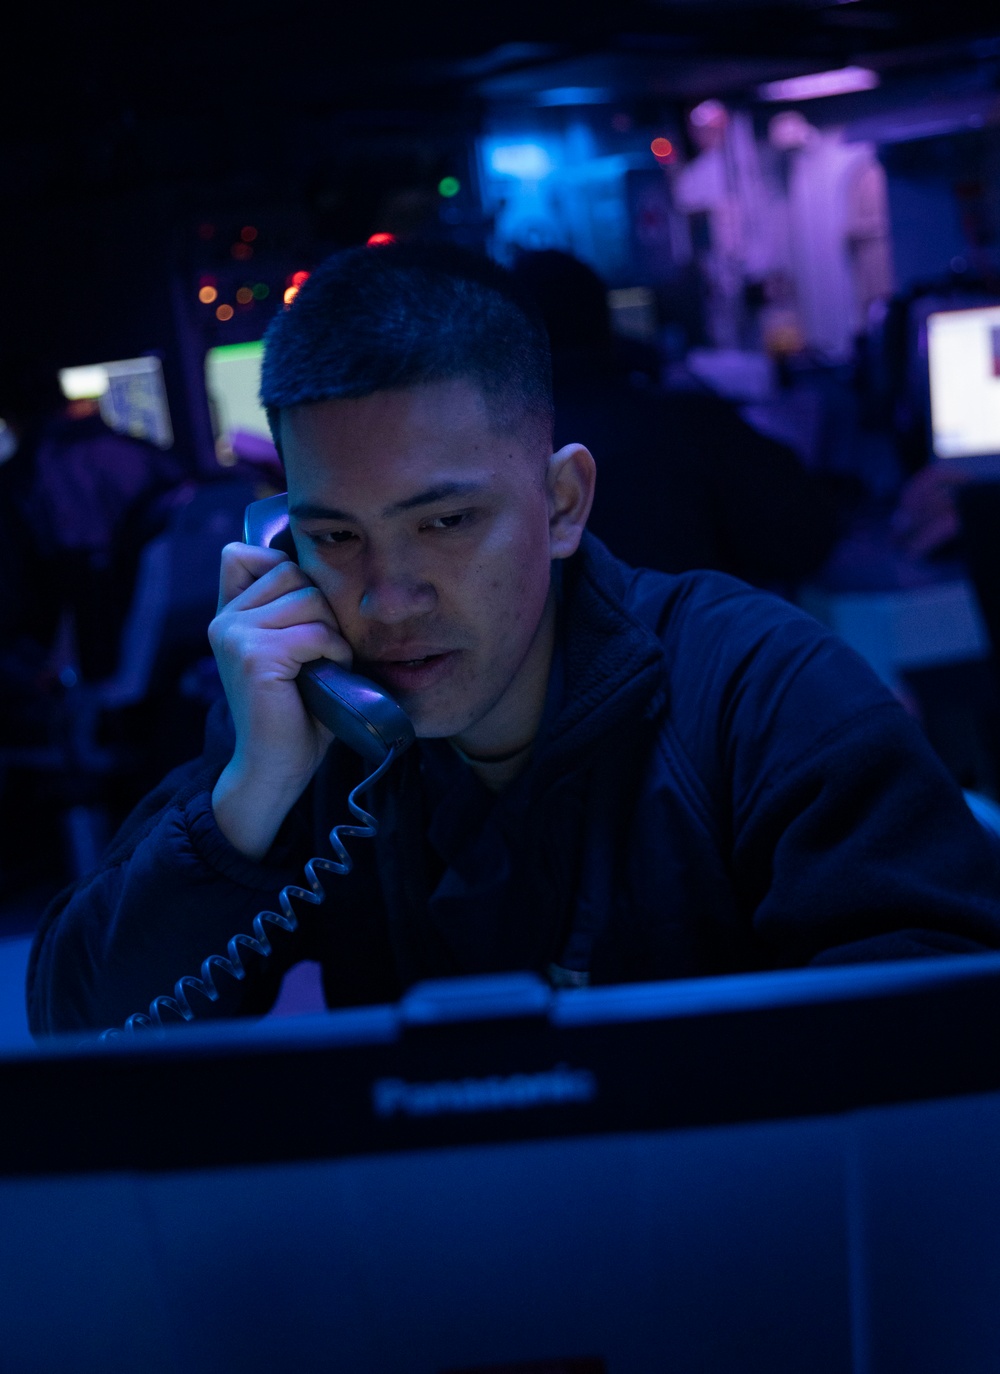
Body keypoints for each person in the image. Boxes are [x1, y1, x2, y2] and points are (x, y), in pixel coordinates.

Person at [27, 244, 1000, 1035]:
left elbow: (941, 1038)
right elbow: (78, 1022)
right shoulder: (308, 718)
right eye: (333, 536)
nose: (388, 601)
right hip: (433, 1259)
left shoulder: (758, 691)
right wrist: (246, 801)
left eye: (444, 523)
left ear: (563, 502)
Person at [510, 248, 840, 589]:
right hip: (700, 639)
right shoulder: (690, 427)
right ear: (607, 324)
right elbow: (804, 533)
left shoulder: (498, 453)